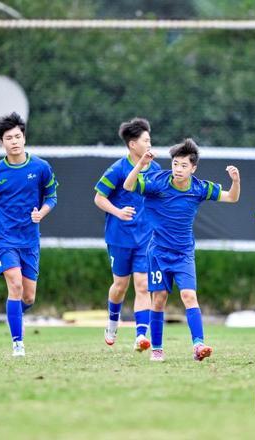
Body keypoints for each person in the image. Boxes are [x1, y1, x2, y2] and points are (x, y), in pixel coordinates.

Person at [123, 138, 240, 362]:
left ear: (193, 168)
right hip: (158, 252)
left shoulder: (199, 188)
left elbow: (232, 197)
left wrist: (235, 181)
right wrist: (141, 164)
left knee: (189, 295)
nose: (178, 169)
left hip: (184, 253)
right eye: (175, 163)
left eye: (184, 165)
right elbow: (129, 185)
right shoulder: (158, 182)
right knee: (159, 299)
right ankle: (157, 349)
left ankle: (198, 345)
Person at [0, 112, 58, 357]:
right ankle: (18, 343)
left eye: (17, 136)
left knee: (28, 297)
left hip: (29, 240)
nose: (14, 141)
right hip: (4, 239)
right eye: (8, 138)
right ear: (1, 142)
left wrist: (41, 213)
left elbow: (52, 197)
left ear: (24, 138)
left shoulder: (41, 168)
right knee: (14, 284)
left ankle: (14, 314)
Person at [94, 118, 161, 351]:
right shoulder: (118, 169)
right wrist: (118, 212)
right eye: (146, 140)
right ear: (133, 144)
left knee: (142, 285)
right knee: (120, 286)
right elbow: (99, 198)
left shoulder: (156, 169)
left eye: (150, 140)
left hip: (146, 238)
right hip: (119, 237)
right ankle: (113, 322)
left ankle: (141, 336)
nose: (149, 144)